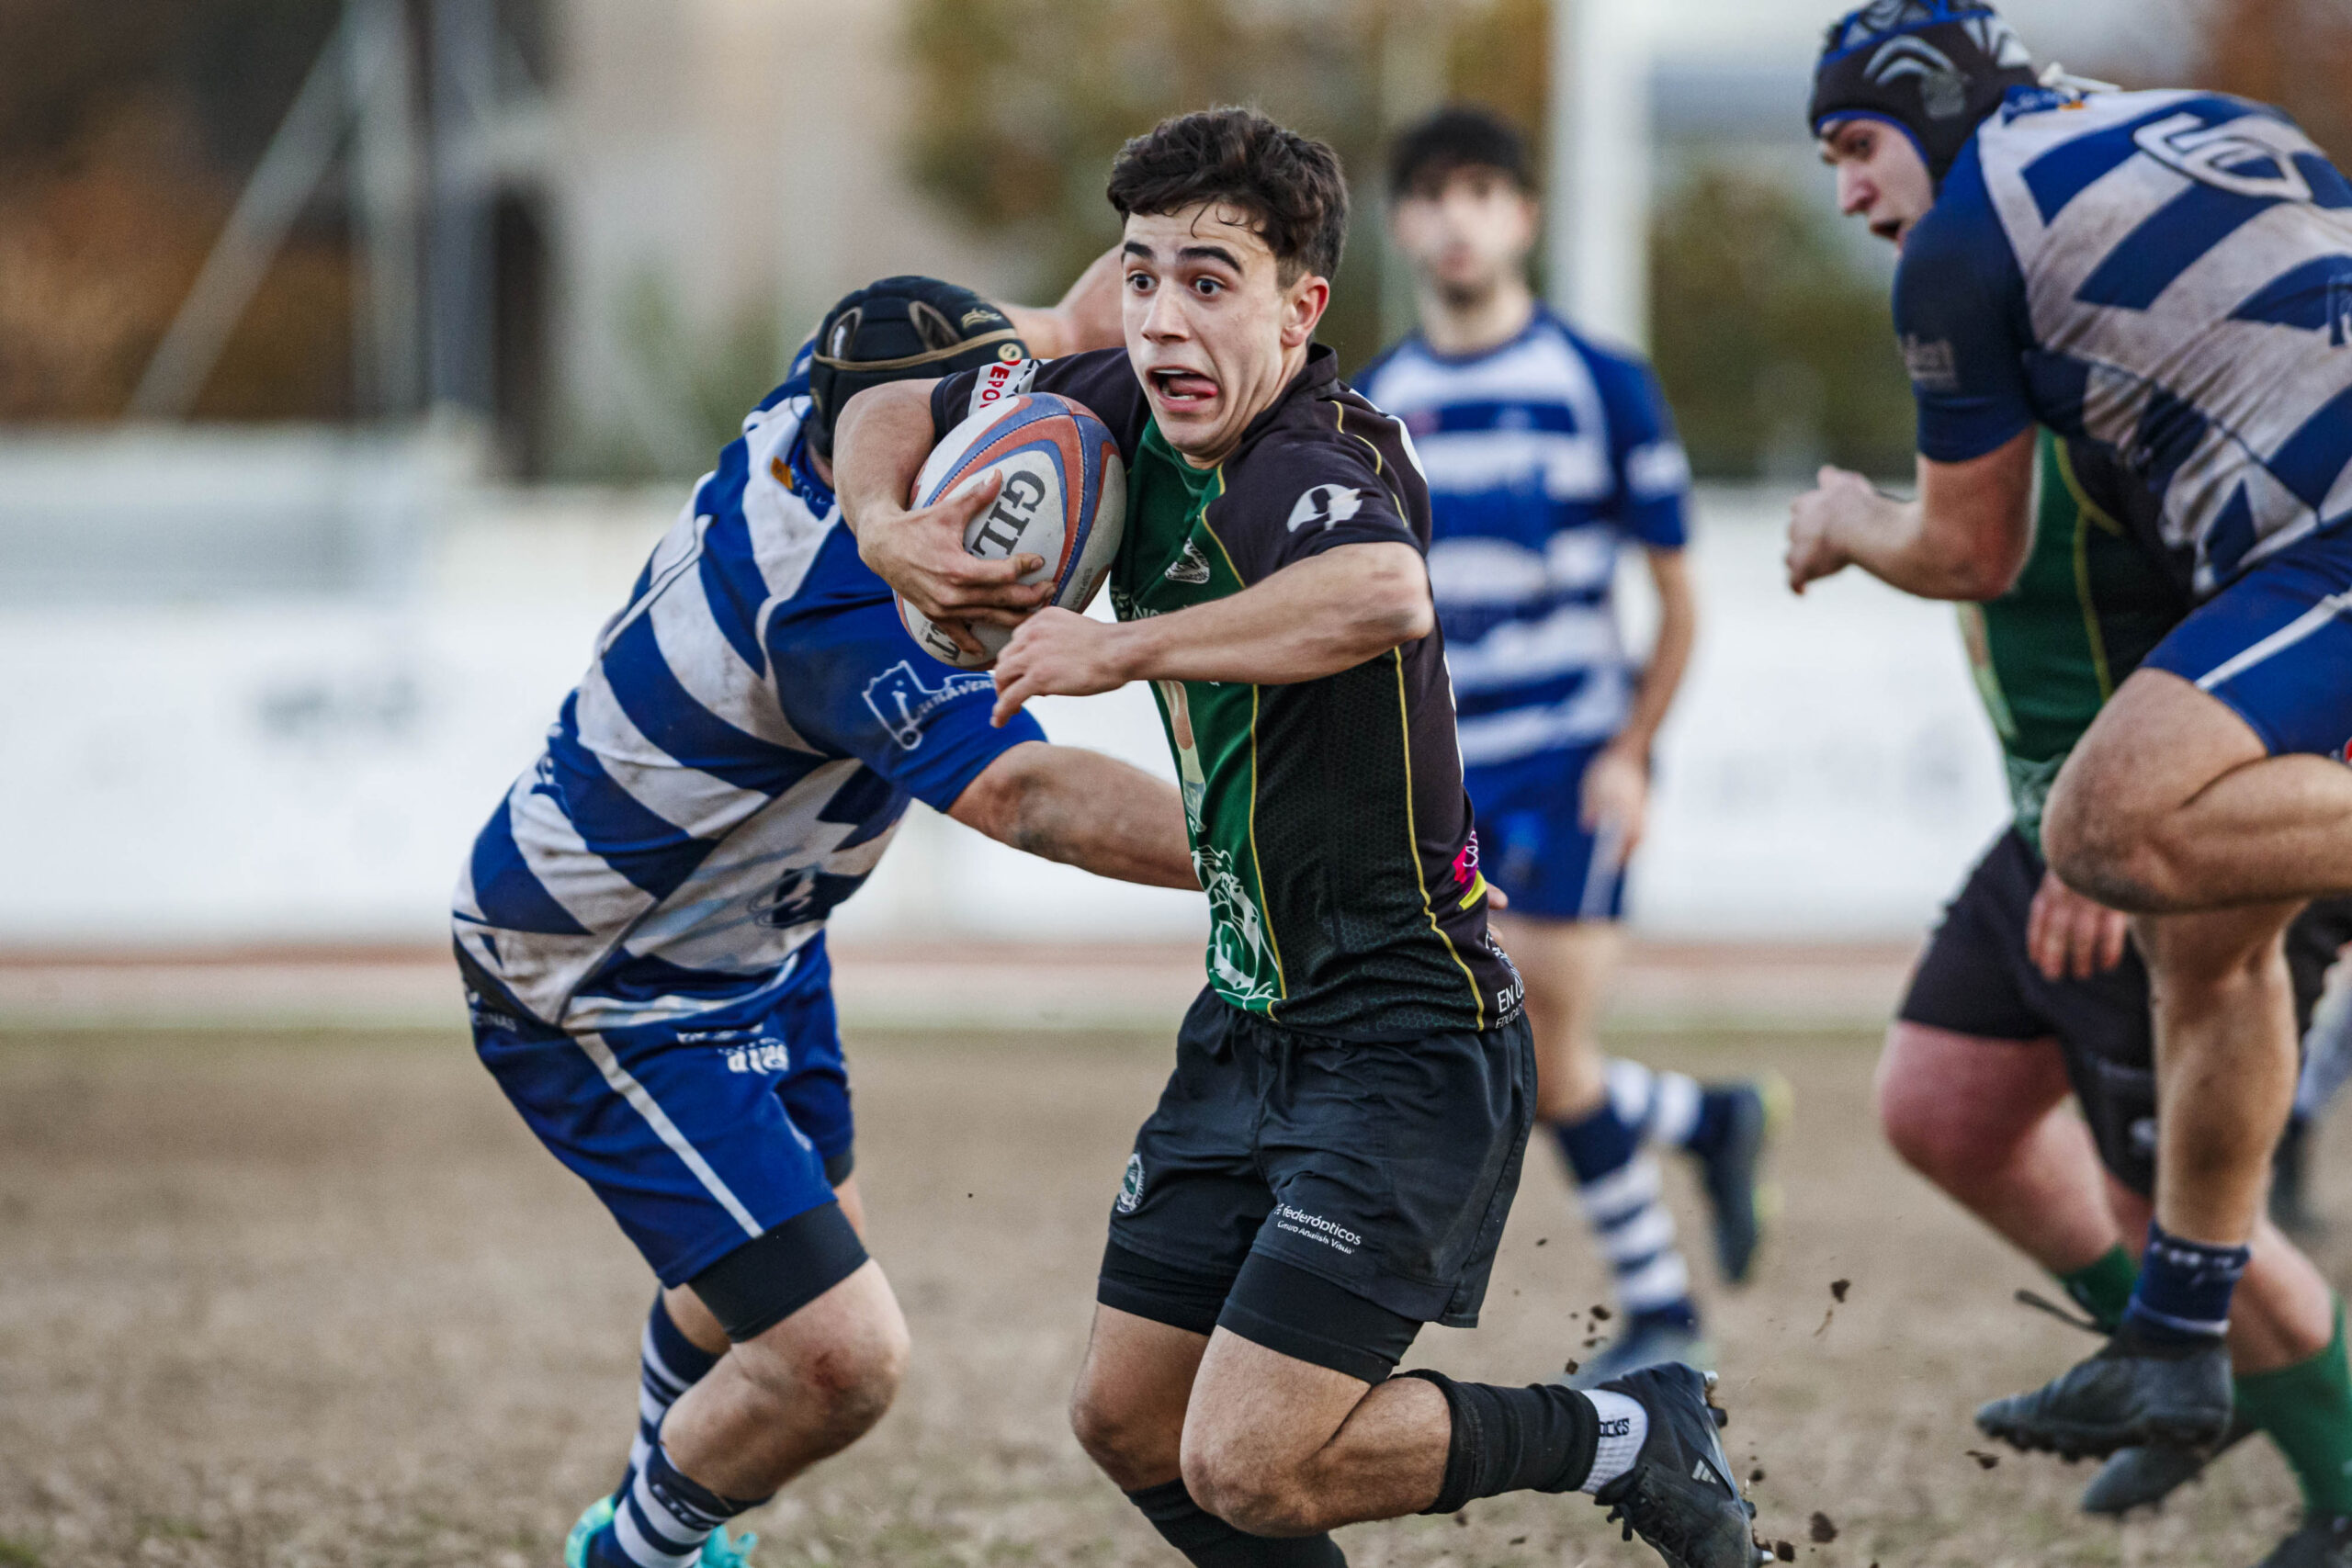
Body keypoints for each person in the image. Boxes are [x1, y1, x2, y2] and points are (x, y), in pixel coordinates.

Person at [835, 108, 1760, 1568]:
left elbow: (1383, 594)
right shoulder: (1114, 409)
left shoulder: (1313, 454)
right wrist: (893, 531)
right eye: (1140, 277)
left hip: (1407, 1030)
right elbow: (886, 362)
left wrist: (1122, 651)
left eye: (1210, 282)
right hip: (1248, 1019)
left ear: (1298, 307)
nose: (1162, 320)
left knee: (1249, 1460)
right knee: (1130, 1423)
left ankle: (1633, 1427)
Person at [452, 269, 1198, 1568]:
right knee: (836, 1357)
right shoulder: (839, 605)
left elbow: (1065, 324)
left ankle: (656, 1532)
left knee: (765, 1252)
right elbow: (1029, 797)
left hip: (748, 930)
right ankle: (633, 1551)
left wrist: (1163, 264)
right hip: (600, 966)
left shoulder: (841, 385)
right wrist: (1300, 846)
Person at [1787, 0, 2352, 1479]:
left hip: (2333, 544)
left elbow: (1976, 550)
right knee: (2202, 937)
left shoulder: (1967, 238)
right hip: (2304, 550)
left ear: (1925, 104)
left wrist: (1848, 519)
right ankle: (2175, 1343)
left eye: (1855, 145)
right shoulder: (2213, 128)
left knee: (2106, 829)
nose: (1849, 192)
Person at [1868, 427, 2352, 1566]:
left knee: (2170, 1204)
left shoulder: (2128, 368)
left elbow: (2249, 597)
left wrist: (2124, 830)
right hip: (2055, 825)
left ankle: (2334, 1484)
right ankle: (2190, 1369)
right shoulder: (1987, 345)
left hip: (2173, 824)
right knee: (1947, 1105)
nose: (1867, 231)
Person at [1355, 105, 1780, 1385]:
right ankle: (1707, 1119)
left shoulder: (1599, 381)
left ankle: (1663, 1308)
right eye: (1431, 195)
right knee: (1521, 1053)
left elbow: (1681, 595)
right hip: (1454, 774)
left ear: (1523, 215)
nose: (1456, 217)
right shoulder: (1382, 402)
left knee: (1534, 1040)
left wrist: (1632, 749)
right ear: (1403, 223)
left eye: (1481, 191)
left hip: (1577, 755)